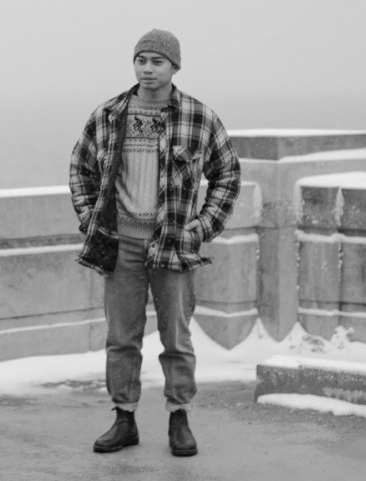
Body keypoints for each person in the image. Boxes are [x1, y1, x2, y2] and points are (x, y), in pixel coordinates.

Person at [69, 30, 241, 458]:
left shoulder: (200, 118)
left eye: (157, 62)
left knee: (176, 338)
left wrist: (200, 228)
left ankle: (179, 416)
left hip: (172, 246)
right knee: (121, 338)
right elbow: (80, 169)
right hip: (121, 244)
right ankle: (123, 418)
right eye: (141, 60)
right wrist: (92, 218)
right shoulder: (108, 115)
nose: (147, 69)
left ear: (174, 67)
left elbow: (227, 176)